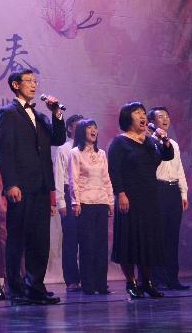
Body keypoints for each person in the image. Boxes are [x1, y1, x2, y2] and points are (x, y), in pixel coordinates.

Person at [0, 69, 66, 305]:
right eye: (29, 81)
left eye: (36, 81)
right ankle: (15, 289)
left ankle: (35, 287)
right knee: (17, 238)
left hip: (41, 185)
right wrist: (11, 183)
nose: (34, 85)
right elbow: (5, 151)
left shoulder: (40, 115)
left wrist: (56, 113)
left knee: (40, 239)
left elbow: (58, 139)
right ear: (15, 85)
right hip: (21, 186)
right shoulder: (8, 113)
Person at [107, 102, 175, 299]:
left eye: (144, 113)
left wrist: (165, 142)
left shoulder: (149, 141)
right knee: (130, 240)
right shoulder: (119, 143)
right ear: (128, 117)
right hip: (129, 198)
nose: (143, 116)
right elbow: (114, 170)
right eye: (138, 113)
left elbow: (166, 157)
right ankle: (131, 282)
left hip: (150, 197)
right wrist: (120, 193)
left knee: (147, 240)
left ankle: (147, 282)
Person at [68, 119, 113, 295]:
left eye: (95, 127)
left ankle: (101, 284)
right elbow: (74, 179)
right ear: (81, 131)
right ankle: (88, 284)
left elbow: (106, 177)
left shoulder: (101, 153)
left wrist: (110, 201)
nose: (94, 130)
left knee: (101, 245)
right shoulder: (75, 153)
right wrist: (75, 201)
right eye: (89, 127)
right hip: (85, 203)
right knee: (87, 244)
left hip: (101, 202)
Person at [148, 106, 190, 291]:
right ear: (152, 122)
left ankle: (172, 278)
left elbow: (179, 169)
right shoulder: (149, 142)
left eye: (167, 116)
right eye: (160, 116)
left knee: (173, 237)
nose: (165, 119)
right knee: (158, 236)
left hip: (173, 191)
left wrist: (183, 193)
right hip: (157, 190)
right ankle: (156, 279)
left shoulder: (173, 144)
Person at [52, 113, 83, 293]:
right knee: (71, 240)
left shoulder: (89, 149)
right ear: (70, 128)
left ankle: (88, 277)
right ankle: (71, 279)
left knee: (86, 239)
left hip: (86, 194)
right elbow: (59, 176)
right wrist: (60, 201)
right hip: (68, 194)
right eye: (78, 126)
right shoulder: (63, 148)